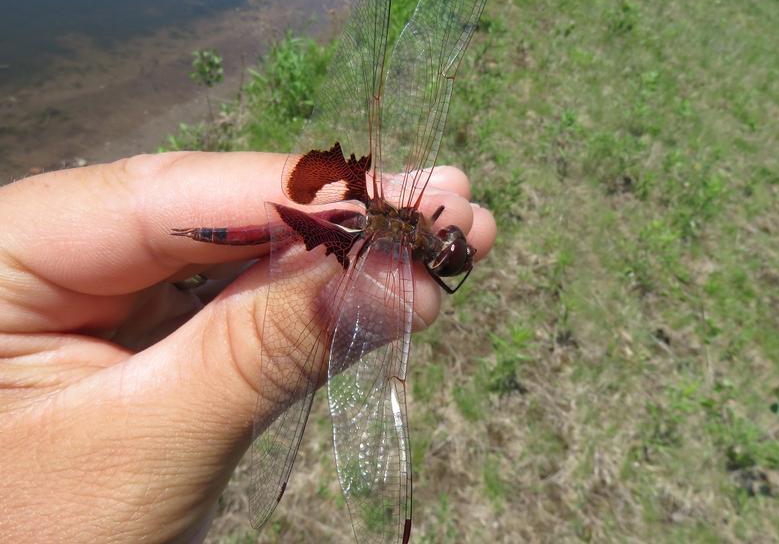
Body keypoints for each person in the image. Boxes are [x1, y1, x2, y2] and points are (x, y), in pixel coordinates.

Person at [0, 151, 496, 542]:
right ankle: (191, 236)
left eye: (449, 246)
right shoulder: (402, 250)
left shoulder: (406, 224)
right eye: (449, 249)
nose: (450, 243)